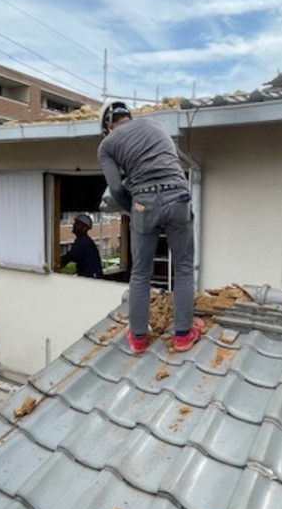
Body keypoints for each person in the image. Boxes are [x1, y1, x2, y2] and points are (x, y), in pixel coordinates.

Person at [98, 100, 201, 354]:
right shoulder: (155, 126)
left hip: (144, 202)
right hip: (178, 197)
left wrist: (132, 208)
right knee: (184, 267)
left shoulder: (107, 145)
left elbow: (116, 188)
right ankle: (183, 336)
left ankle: (138, 339)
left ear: (106, 126)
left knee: (141, 273)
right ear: (128, 116)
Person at [59, 214, 104, 279]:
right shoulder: (83, 240)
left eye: (77, 224)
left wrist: (58, 264)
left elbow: (71, 256)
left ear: (85, 228)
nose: (74, 225)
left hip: (92, 279)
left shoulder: (83, 241)